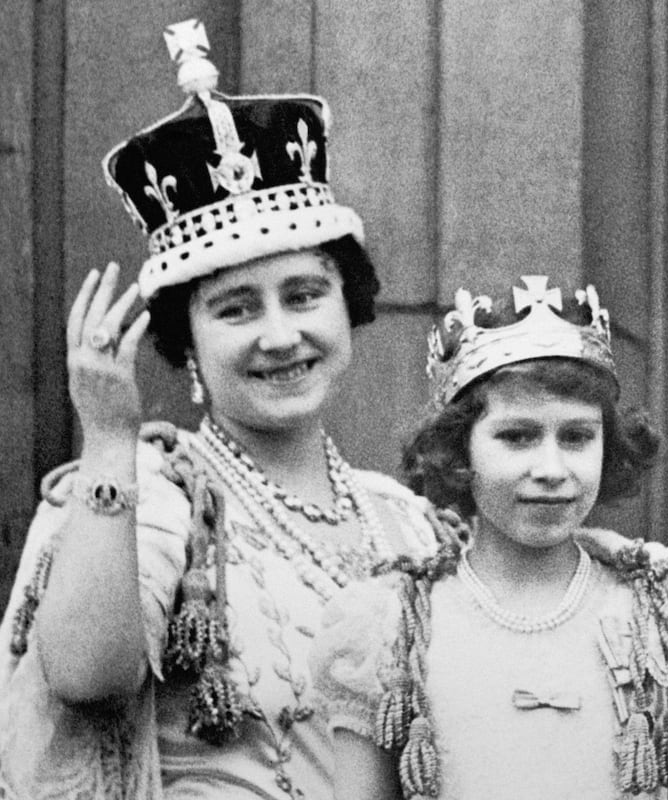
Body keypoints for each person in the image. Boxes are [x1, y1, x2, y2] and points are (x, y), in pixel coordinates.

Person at [0, 19, 439, 799]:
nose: (281, 335)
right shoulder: (158, 497)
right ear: (187, 345)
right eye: (236, 310)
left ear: (348, 307)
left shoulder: (402, 519)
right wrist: (106, 437)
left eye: (305, 295)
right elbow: (83, 677)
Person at [310, 276, 668, 799]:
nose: (551, 468)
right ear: (459, 451)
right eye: (517, 436)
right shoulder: (393, 628)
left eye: (576, 437)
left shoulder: (659, 616)